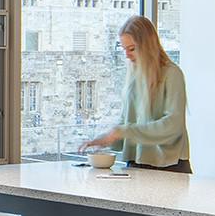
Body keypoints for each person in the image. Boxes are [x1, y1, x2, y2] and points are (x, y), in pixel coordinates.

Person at [81, 15, 190, 173]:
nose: (127, 55)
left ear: (148, 45)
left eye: (132, 49)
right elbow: (127, 119)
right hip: (137, 164)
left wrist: (124, 131)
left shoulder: (172, 74)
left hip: (170, 166)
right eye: (124, 49)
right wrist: (105, 139)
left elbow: (173, 124)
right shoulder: (134, 76)